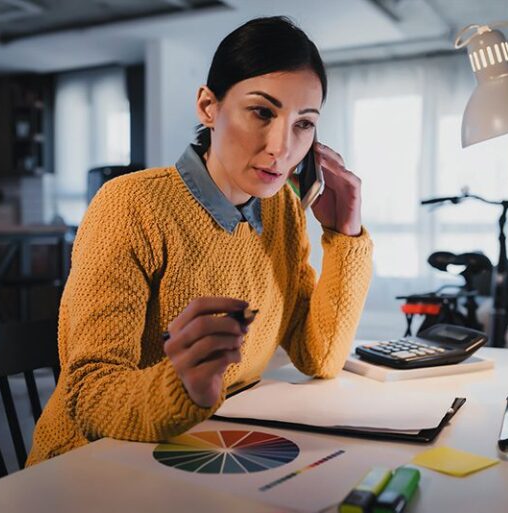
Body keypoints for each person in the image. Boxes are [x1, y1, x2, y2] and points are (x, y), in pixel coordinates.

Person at [27, 16, 373, 466]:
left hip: (206, 447)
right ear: (208, 107)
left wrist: (345, 235)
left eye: (303, 124)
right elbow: (89, 393)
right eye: (263, 112)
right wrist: (182, 385)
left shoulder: (282, 210)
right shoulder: (130, 205)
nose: (281, 148)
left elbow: (320, 355)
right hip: (91, 463)